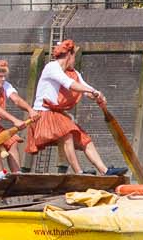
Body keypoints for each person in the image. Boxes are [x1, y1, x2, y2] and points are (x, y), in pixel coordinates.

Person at [27, 39, 114, 177]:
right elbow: (70, 84)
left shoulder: (73, 72)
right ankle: (79, 172)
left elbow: (85, 89)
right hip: (43, 114)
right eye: (74, 56)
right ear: (69, 55)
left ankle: (105, 171)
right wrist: (93, 92)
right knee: (68, 133)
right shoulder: (52, 67)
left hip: (58, 115)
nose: (74, 60)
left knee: (85, 139)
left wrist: (98, 95)